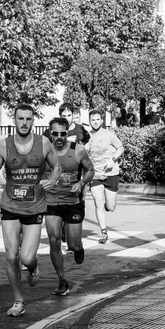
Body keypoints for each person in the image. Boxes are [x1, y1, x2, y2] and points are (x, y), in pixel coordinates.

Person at [0, 103, 61, 317]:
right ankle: (18, 301)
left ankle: (33, 267)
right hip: (10, 205)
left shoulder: (43, 143)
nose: (24, 123)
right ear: (14, 120)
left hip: (35, 206)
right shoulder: (4, 145)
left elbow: (56, 167)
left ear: (33, 121)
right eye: (21, 118)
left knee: (27, 258)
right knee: (11, 257)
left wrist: (53, 180)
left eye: (28, 119)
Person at [45, 116, 94, 296]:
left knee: (73, 245)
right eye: (55, 133)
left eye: (62, 134)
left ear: (67, 133)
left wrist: (81, 183)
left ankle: (78, 248)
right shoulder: (44, 151)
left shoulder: (78, 151)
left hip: (73, 202)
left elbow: (90, 170)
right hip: (51, 202)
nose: (58, 137)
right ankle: (62, 280)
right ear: (50, 133)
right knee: (53, 240)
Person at [86, 109, 124, 244]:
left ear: (101, 120)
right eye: (92, 120)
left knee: (110, 207)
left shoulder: (109, 134)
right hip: (95, 175)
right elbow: (83, 153)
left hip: (111, 173)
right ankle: (104, 233)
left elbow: (121, 148)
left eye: (97, 119)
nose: (95, 122)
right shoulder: (87, 136)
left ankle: (109, 205)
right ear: (89, 121)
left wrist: (112, 160)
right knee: (98, 202)